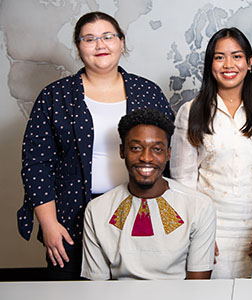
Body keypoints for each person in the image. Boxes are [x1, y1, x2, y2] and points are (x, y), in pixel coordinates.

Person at [17, 11, 174, 280]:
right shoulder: (56, 96)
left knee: (139, 289)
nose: (100, 45)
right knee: (70, 291)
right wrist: (49, 223)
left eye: (107, 36)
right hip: (70, 215)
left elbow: (170, 158)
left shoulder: (147, 92)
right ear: (78, 47)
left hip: (139, 209)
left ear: (121, 42)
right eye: (89, 39)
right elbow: (36, 164)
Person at [170, 27, 252, 278]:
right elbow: (183, 181)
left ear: (249, 62)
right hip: (210, 226)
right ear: (210, 64)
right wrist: (199, 231)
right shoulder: (191, 111)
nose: (228, 64)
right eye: (219, 57)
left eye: (237, 56)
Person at [81, 108, 215, 280]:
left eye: (157, 149)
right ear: (122, 151)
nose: (146, 157)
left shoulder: (199, 207)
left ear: (168, 154)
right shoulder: (97, 210)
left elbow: (197, 287)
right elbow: (96, 288)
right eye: (136, 148)